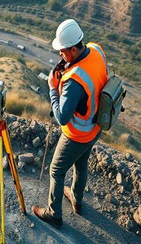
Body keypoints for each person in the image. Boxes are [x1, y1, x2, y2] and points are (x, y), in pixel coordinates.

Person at [33, 19, 109, 226]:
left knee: (56, 170)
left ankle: (53, 213)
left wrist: (52, 88)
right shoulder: (96, 50)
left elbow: (62, 117)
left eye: (63, 51)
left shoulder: (74, 80)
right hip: (95, 127)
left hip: (78, 134)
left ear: (74, 49)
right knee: (81, 164)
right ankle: (76, 199)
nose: (60, 55)